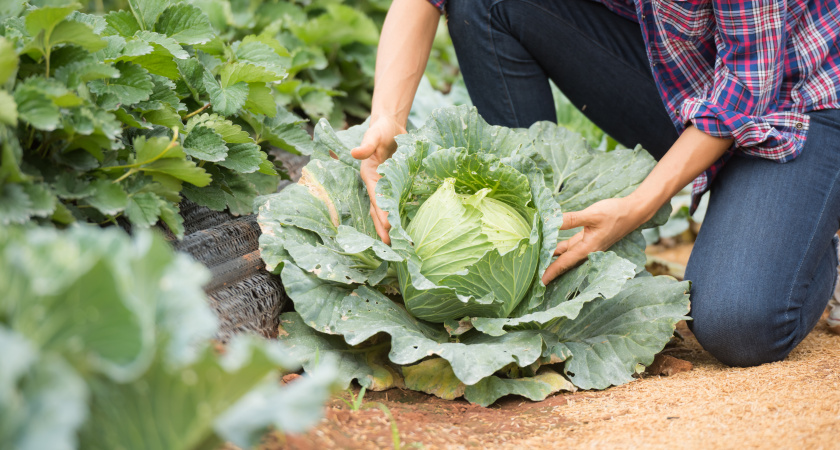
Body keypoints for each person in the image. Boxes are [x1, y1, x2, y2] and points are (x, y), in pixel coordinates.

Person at [350, 0, 840, 366]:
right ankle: (543, 264)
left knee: (739, 325)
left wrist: (638, 205)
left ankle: (814, 223)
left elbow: (748, 86)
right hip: (683, 72)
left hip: (798, 97)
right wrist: (387, 118)